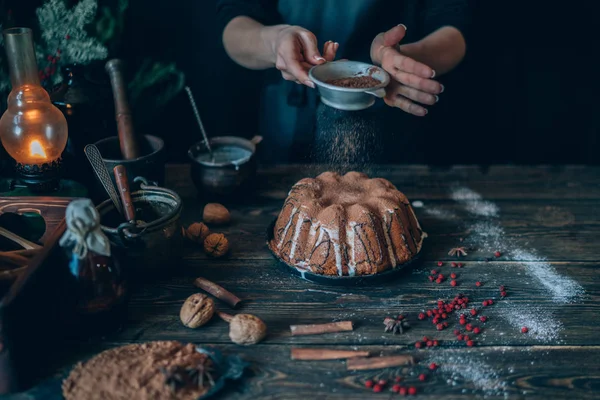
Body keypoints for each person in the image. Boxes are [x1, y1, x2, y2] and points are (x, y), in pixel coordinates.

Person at [216, 0, 470, 164]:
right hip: (287, 120)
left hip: (390, 117)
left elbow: (453, 25)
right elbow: (235, 24)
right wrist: (276, 42)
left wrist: (406, 60)